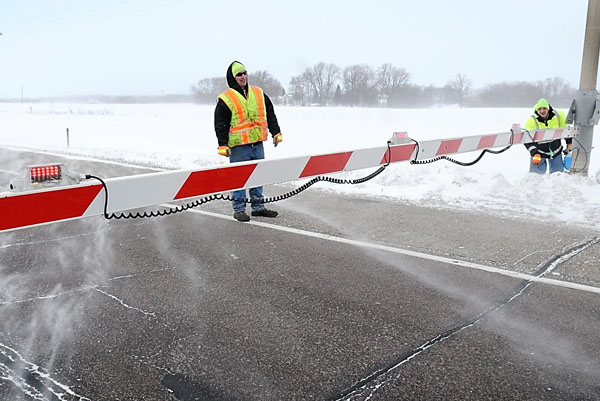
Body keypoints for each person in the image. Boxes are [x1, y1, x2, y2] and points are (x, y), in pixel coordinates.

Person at [214, 61, 283, 222]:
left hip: (257, 143)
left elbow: (270, 113)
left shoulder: (258, 93)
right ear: (232, 78)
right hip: (239, 147)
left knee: (258, 175)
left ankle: (258, 207)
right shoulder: (226, 98)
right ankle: (239, 209)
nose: (243, 76)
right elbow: (220, 123)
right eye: (239, 74)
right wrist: (223, 144)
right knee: (239, 178)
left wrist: (276, 132)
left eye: (244, 73)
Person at [524, 98, 572, 174]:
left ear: (548, 108)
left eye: (544, 108)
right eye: (539, 109)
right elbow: (526, 140)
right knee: (535, 177)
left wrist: (569, 143)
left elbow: (566, 130)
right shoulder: (532, 121)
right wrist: (534, 152)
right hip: (539, 152)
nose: (542, 111)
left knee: (558, 176)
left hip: (555, 151)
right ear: (536, 110)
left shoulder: (558, 116)